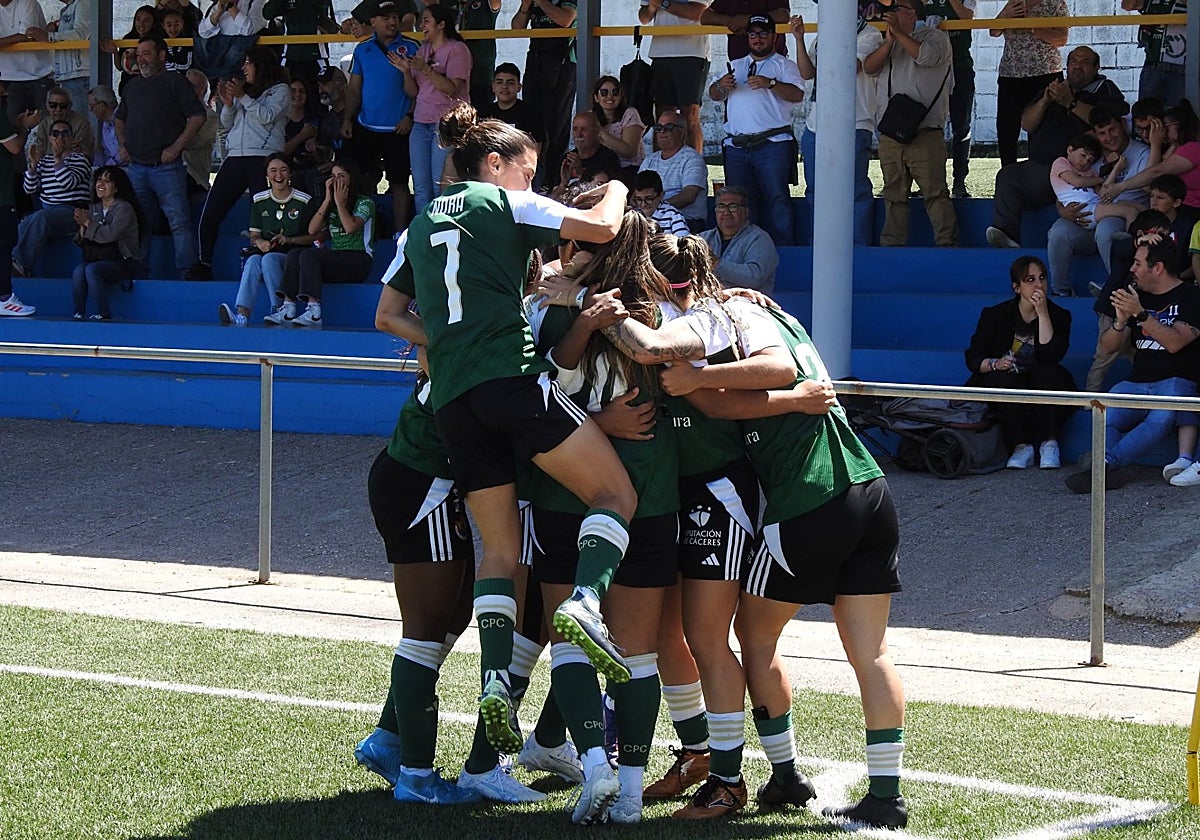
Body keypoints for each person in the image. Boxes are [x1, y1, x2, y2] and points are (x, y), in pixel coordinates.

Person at [380, 102, 639, 826]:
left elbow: (393, 310)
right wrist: (609, 184)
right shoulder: (503, 198)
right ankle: (586, 601)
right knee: (614, 493)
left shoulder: (423, 220)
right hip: (510, 379)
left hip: (455, 399)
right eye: (528, 167)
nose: (536, 179)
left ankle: (497, 682)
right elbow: (604, 228)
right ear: (495, 165)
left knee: (499, 548)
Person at [598, 265, 909, 832]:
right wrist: (775, 396)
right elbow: (727, 400)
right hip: (870, 489)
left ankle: (774, 775)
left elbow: (772, 370)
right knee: (871, 652)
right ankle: (885, 797)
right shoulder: (766, 312)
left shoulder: (735, 315)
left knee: (750, 636)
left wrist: (695, 373)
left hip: (811, 498)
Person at [1066, 237, 1200, 492]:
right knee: (1106, 413)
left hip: (1176, 382)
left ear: (1157, 268)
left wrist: (1141, 315)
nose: (1132, 269)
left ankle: (1104, 464)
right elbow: (1108, 347)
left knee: (1161, 417)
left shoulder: (1192, 295)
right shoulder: (1139, 298)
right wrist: (1120, 320)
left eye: (1138, 263)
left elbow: (1175, 343)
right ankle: (1106, 469)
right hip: (1137, 382)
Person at [987, 46, 1129, 249]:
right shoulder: (1055, 88)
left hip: (1083, 173)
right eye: (1073, 61)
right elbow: (1027, 124)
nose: (1078, 66)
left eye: (1085, 62)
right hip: (1043, 169)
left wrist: (1070, 103)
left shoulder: (1105, 89)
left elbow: (1111, 122)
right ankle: (1006, 237)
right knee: (1009, 176)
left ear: (1097, 67)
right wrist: (1046, 100)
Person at [965, 256, 1075, 469]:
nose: (1038, 285)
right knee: (1003, 380)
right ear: (1017, 287)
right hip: (1004, 377)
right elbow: (973, 356)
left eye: (1042, 278)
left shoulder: (1060, 315)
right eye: (1030, 279)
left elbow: (1051, 355)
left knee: (1051, 373)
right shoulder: (994, 315)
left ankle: (1049, 443)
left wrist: (1043, 314)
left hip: (1038, 377)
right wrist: (996, 363)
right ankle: (1021, 446)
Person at [189, 45, 289, 281]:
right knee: (210, 212)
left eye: (248, 62)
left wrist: (243, 97)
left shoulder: (280, 90)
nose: (243, 68)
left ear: (260, 65)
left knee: (265, 216)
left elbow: (266, 117)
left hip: (263, 158)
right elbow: (227, 124)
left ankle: (268, 265)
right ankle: (204, 263)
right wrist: (230, 104)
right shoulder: (246, 94)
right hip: (235, 157)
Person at [863, 0, 957, 248]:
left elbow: (927, 56)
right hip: (891, 133)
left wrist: (901, 35)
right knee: (893, 195)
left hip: (925, 131)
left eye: (895, 10)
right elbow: (869, 67)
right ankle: (892, 246)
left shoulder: (935, 36)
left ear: (912, 12)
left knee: (935, 194)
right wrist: (889, 42)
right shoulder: (890, 39)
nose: (889, 14)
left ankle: (947, 246)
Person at [115, 35, 205, 279]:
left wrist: (176, 148)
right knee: (137, 223)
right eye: (138, 53)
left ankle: (186, 273)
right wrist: (123, 146)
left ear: (162, 55)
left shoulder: (176, 82)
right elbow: (119, 118)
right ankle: (137, 273)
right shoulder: (132, 86)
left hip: (167, 167)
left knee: (179, 222)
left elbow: (197, 117)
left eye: (146, 53)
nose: (140, 59)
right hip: (136, 168)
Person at [708, 15, 803, 247]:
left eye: (763, 34)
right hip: (737, 146)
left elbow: (798, 94)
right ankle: (746, 251)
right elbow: (713, 95)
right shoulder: (735, 65)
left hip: (772, 143)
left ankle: (783, 251)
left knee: (777, 199)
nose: (757, 39)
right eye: (753, 34)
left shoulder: (783, 65)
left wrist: (770, 83)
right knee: (740, 204)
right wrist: (721, 85)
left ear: (773, 36)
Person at [791, 12, 881, 246]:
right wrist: (799, 39)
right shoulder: (823, 36)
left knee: (855, 191)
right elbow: (807, 73)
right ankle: (819, 245)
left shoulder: (870, 34)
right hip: (817, 123)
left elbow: (851, 68)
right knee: (816, 191)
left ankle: (859, 246)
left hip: (855, 122)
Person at [1047, 106, 1152, 295]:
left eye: (1112, 129)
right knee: (1058, 231)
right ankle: (1060, 290)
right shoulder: (1090, 156)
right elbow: (1066, 190)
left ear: (1122, 125)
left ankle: (1120, 286)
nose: (1108, 137)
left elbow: (1150, 187)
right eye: (1101, 133)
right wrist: (1063, 211)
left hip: (1118, 218)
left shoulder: (1142, 153)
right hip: (1088, 216)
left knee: (1106, 229)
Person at [270, 159, 376, 327]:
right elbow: (312, 230)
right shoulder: (332, 206)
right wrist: (328, 200)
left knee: (309, 254)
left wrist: (341, 204)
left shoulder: (365, 203)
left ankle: (314, 311)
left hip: (359, 259)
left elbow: (350, 227)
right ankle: (288, 307)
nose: (336, 180)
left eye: (341, 176)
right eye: (333, 176)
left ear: (351, 178)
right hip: (337, 259)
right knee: (295, 254)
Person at [343, 0, 419, 233]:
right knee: (359, 179)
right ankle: (363, 230)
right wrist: (347, 119)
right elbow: (354, 89)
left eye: (395, 17)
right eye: (385, 18)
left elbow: (422, 89)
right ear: (373, 22)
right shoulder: (362, 49)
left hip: (399, 128)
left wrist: (410, 116)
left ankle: (399, 234)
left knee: (399, 182)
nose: (392, 22)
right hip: (367, 126)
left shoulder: (413, 47)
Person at [218, 154, 315, 326]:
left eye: (283, 170)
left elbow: (316, 236)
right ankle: (242, 316)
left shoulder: (303, 200)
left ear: (290, 174)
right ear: (267, 176)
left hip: (294, 257)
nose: (279, 175)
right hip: (268, 253)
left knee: (269, 259)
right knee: (254, 261)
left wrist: (290, 240)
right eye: (273, 171)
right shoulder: (260, 199)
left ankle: (280, 310)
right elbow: (254, 235)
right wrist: (260, 242)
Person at [395, 4, 471, 214]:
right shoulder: (424, 50)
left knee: (442, 186)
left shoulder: (458, 50)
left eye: (426, 21)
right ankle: (424, 235)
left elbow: (453, 89)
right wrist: (405, 72)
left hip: (447, 125)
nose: (421, 25)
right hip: (421, 123)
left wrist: (426, 69)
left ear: (441, 24)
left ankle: (441, 229)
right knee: (421, 188)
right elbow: (413, 92)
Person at [989, 0, 1069, 168]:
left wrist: (1031, 27)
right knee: (1007, 129)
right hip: (1011, 75)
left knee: (1043, 130)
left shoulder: (1055, 4)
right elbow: (993, 31)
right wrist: (1004, 16)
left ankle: (1042, 176)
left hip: (1046, 74)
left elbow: (1062, 38)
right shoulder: (1014, 3)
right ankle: (1008, 176)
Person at [13, 118, 92, 278]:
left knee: (40, 217)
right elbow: (29, 188)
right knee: (24, 222)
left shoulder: (80, 159)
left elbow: (67, 183)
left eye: (65, 134)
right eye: (55, 134)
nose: (60, 137)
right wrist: (33, 167)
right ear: (50, 138)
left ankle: (20, 265)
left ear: (72, 137)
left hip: (73, 211)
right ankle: (9, 261)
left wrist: (58, 160)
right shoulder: (44, 161)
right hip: (49, 211)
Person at [511, 0, 577, 190]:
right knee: (532, 124)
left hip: (562, 66)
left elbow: (565, 19)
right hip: (536, 64)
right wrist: (525, 6)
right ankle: (533, 178)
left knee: (555, 127)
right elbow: (517, 28)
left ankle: (554, 181)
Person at [71, 166, 142, 321]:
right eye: (99, 179)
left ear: (116, 188)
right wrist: (82, 224)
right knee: (78, 270)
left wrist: (88, 223)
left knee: (91, 270)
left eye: (107, 181)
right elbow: (82, 240)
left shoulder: (124, 208)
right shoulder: (94, 207)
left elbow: (110, 235)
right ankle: (78, 313)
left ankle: (104, 313)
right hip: (98, 258)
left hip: (123, 261)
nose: (100, 184)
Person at [1101, 100, 1200, 211]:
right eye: (1139, 129)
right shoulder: (1174, 148)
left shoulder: (1193, 148)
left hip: (1190, 209)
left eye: (1165, 128)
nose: (1147, 134)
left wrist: (1120, 187)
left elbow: (1152, 180)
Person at [639, 0, 709, 154]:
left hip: (691, 53)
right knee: (662, 116)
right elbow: (643, 18)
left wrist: (663, 3)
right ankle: (661, 168)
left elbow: (699, 13)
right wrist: (651, 6)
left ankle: (694, 166)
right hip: (660, 53)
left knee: (690, 114)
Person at [1050, 133, 1140, 234]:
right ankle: (1130, 244)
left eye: (1089, 161)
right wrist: (1101, 180)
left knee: (1136, 207)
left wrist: (1116, 170)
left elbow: (1102, 193)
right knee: (1130, 212)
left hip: (1095, 205)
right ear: (1070, 150)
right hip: (1083, 209)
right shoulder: (1061, 162)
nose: (1085, 162)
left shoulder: (1089, 172)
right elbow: (1078, 182)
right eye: (1083, 155)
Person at [699, 185, 778, 292]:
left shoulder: (760, 239)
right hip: (709, 303)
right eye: (721, 206)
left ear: (746, 212)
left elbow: (755, 277)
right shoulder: (703, 238)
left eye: (733, 207)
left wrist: (716, 263)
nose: (726, 212)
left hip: (750, 304)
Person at [639, 111, 708, 231]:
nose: (662, 132)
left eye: (668, 127)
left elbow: (688, 195)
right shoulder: (649, 160)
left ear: (682, 133)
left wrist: (656, 207)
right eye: (658, 128)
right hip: (651, 221)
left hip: (686, 221)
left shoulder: (692, 159)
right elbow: (636, 193)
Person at [0, 80, 33, 317]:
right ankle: (4, 298)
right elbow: (14, 146)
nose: (4, 90)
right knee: (4, 246)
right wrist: (25, 127)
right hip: (1, 198)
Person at [29, 0, 91, 117]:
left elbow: (81, 34)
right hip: (69, 74)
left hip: (78, 74)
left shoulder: (82, 3)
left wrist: (50, 37)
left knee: (79, 121)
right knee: (72, 122)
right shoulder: (69, 8)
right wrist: (56, 28)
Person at [1123, 0, 1187, 107]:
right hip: (1154, 66)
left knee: (1177, 118)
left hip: (1183, 70)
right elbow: (1128, 5)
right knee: (1146, 115)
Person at [0, 0, 53, 122]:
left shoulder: (27, 3)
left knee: (47, 123)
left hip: (39, 74)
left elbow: (27, 35)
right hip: (9, 78)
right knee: (13, 127)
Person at [475, 63, 546, 153]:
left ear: (519, 87)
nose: (504, 87)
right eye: (499, 82)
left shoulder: (531, 114)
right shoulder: (484, 114)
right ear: (493, 87)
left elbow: (536, 149)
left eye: (510, 83)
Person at [262, 0, 334, 83]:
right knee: (288, 91)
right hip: (289, 55)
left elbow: (324, 6)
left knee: (317, 91)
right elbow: (267, 14)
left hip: (316, 56)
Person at [555, 112, 623, 200]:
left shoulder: (608, 158)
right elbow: (552, 200)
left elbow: (609, 197)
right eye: (575, 129)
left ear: (597, 132)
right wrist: (563, 184)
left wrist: (581, 173)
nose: (579, 134)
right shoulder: (567, 158)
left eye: (584, 129)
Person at [591, 76, 645, 182]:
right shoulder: (591, 116)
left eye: (615, 92)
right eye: (604, 92)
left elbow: (629, 152)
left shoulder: (630, 114)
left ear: (620, 96)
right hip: (600, 170)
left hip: (628, 169)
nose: (610, 96)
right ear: (596, 97)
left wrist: (600, 131)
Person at [28, 87, 93, 170]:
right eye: (53, 105)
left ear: (70, 106)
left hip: (73, 167)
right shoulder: (43, 124)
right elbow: (40, 151)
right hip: (48, 168)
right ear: (47, 106)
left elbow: (83, 153)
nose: (58, 109)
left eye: (63, 106)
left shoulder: (81, 123)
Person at [700, 0, 789, 61]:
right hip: (739, 61)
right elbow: (706, 17)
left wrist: (746, 21)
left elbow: (783, 15)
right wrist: (732, 22)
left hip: (773, 61)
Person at [457, 0, 502, 109]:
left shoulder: (486, 3)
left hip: (481, 76)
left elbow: (496, 3)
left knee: (482, 118)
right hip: (455, 76)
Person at [183, 69, 221, 194]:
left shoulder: (211, 117)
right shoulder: (170, 111)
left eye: (196, 86)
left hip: (195, 177)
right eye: (187, 85)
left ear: (204, 91)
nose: (191, 90)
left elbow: (192, 143)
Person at [114, 6, 163, 97]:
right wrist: (114, 51)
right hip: (129, 86)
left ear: (154, 22)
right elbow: (120, 67)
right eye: (138, 19)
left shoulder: (159, 40)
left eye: (147, 20)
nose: (141, 24)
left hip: (152, 87)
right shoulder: (128, 39)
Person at [282, 77, 322, 180]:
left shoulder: (316, 119)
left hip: (311, 170)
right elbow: (279, 153)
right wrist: (301, 136)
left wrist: (314, 149)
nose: (297, 94)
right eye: (293, 91)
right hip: (285, 171)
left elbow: (324, 158)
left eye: (301, 91)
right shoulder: (279, 120)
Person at [630, 170, 689, 236]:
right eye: (639, 199)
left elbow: (683, 243)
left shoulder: (673, 215)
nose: (643, 204)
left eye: (649, 199)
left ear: (661, 195)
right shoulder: (633, 216)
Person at [87, 86, 121, 168]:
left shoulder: (122, 119)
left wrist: (106, 166)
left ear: (102, 105)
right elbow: (106, 152)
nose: (91, 110)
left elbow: (122, 154)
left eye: (92, 106)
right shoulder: (105, 123)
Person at [160, 7, 194, 74]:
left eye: (176, 24)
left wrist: (168, 58)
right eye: (169, 25)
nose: (173, 28)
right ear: (163, 26)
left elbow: (186, 65)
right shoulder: (160, 43)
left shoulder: (187, 42)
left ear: (182, 23)